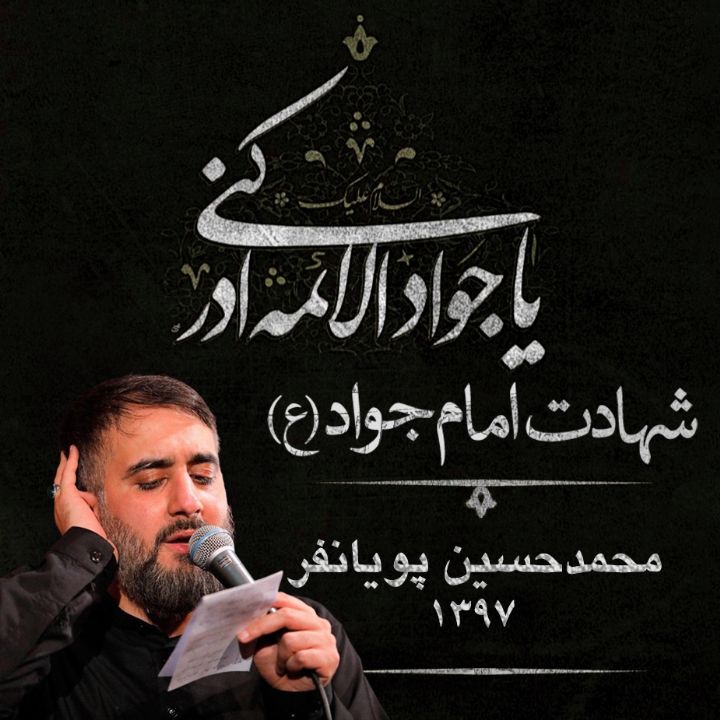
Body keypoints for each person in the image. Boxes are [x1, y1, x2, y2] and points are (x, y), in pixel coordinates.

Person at [0, 375, 387, 719]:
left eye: (203, 477)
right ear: (88, 505)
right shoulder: (43, 644)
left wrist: (304, 705)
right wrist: (81, 550)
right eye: (151, 481)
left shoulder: (299, 635)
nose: (190, 502)